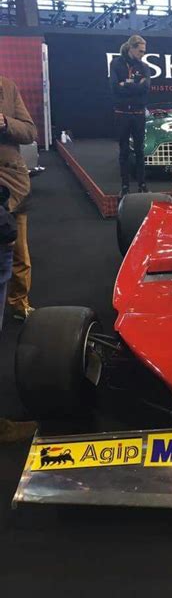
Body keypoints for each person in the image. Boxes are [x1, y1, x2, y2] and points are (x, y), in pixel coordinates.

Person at [0, 77, 37, 441]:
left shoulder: (7, 87)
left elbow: (29, 131)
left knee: (17, 254)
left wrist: (5, 124)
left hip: (10, 191)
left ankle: (18, 301)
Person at [110, 35, 151, 198]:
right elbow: (114, 88)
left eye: (144, 51)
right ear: (131, 48)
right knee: (124, 151)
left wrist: (125, 84)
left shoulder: (145, 67)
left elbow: (145, 88)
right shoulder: (116, 64)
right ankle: (125, 186)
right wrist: (135, 85)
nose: (142, 54)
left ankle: (142, 185)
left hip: (139, 113)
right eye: (140, 51)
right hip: (122, 113)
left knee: (140, 151)